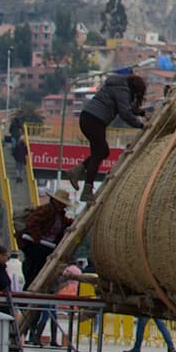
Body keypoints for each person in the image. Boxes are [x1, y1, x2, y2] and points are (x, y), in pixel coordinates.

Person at [67, 73, 146, 202]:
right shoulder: (123, 89)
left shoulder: (117, 86)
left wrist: (139, 112)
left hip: (88, 118)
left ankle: (77, 171)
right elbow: (124, 112)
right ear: (135, 89)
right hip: (95, 120)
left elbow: (125, 106)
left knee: (102, 152)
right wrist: (140, 125)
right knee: (100, 153)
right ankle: (87, 190)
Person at [19, 187, 73, 289]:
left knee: (40, 272)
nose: (63, 206)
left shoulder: (60, 215)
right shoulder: (46, 210)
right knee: (33, 272)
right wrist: (38, 239)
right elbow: (32, 222)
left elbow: (65, 222)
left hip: (47, 247)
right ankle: (29, 293)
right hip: (36, 246)